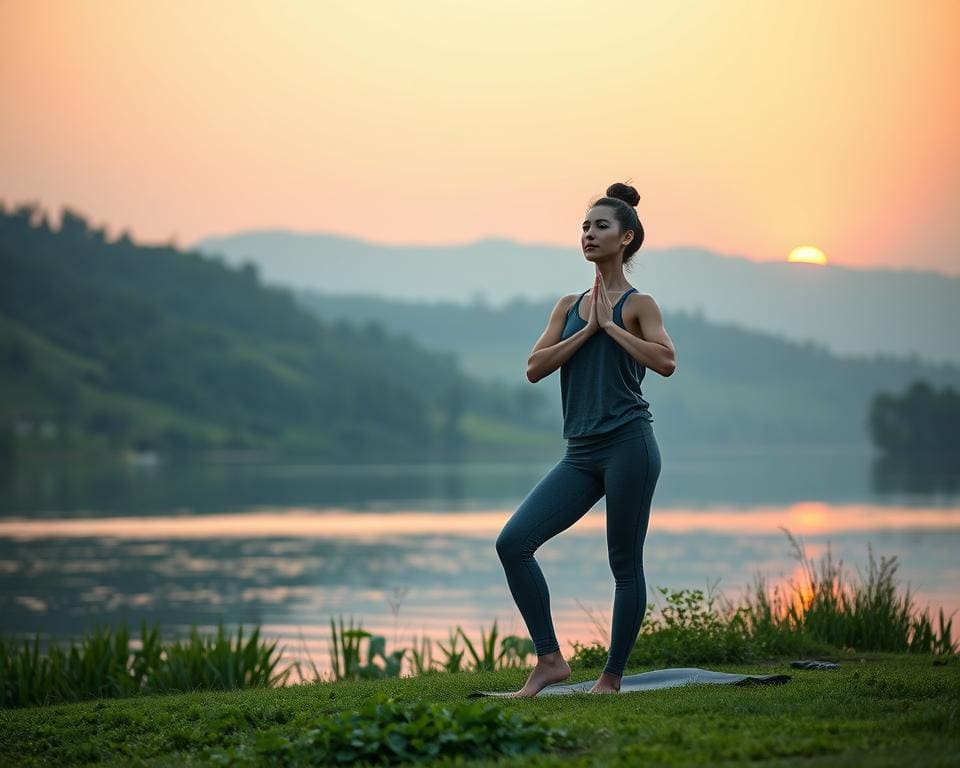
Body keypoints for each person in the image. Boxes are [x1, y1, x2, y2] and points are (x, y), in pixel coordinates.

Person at [495, 182, 677, 697]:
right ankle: (550, 660)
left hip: (629, 446)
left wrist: (612, 328)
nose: (588, 234)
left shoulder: (640, 305)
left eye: (600, 226)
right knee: (514, 542)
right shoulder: (568, 305)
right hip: (580, 453)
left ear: (627, 238)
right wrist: (587, 330)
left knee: (623, 562)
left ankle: (611, 678)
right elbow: (534, 368)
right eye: (584, 226)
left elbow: (666, 362)